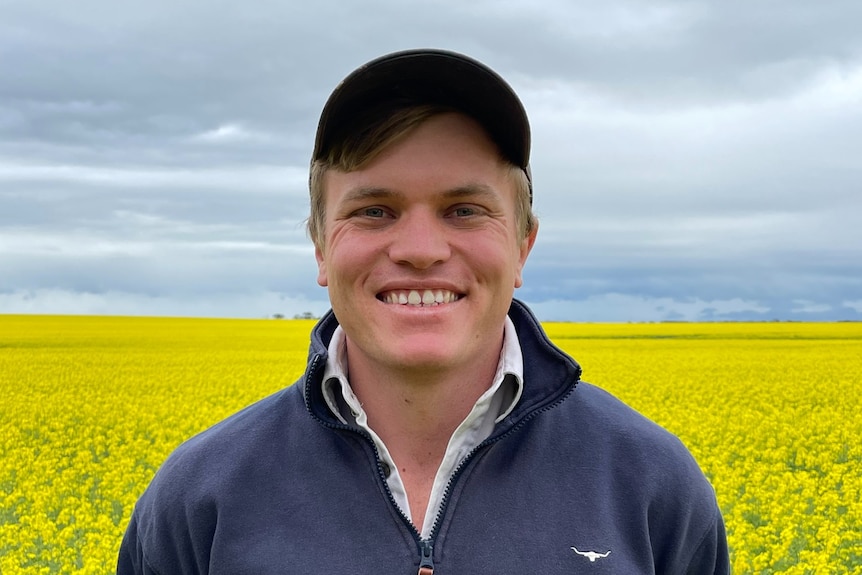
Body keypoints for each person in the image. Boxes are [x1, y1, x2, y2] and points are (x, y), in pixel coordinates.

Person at [117, 49, 729, 574]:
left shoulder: (650, 485)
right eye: (374, 210)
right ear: (321, 248)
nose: (418, 251)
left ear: (522, 246)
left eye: (463, 209)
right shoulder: (201, 496)